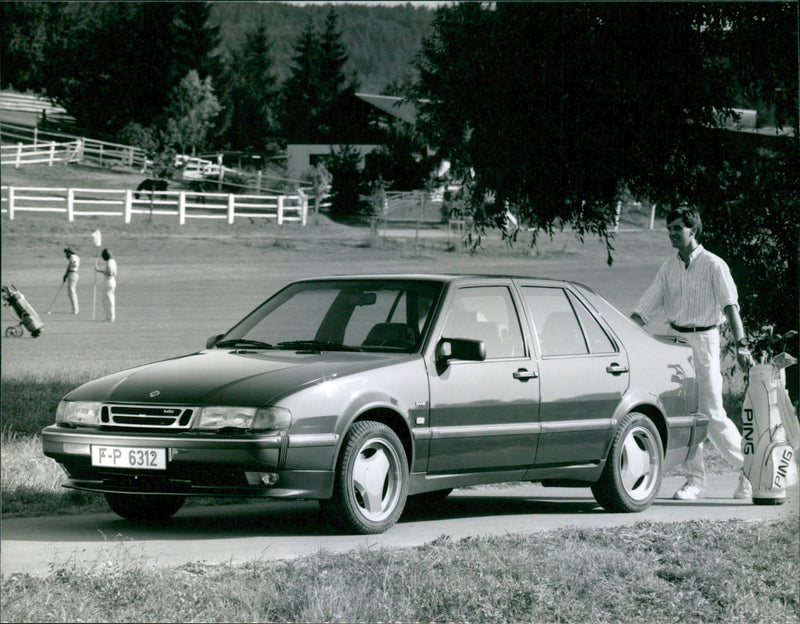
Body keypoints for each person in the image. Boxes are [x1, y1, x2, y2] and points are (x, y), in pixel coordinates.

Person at [631, 206, 755, 501]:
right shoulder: (668, 268)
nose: (672, 234)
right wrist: (622, 335)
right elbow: (644, 310)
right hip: (675, 344)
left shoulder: (714, 265)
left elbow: (730, 307)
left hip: (706, 342)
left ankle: (749, 471)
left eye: (677, 229)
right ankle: (695, 481)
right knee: (685, 416)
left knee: (712, 414)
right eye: (669, 229)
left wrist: (741, 344)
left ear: (693, 230)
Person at [95, 248, 117, 322]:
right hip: (112, 281)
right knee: (107, 300)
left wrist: (107, 273)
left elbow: (109, 271)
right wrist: (99, 270)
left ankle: (110, 317)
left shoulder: (109, 262)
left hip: (109, 281)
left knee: (108, 300)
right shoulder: (113, 261)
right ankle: (109, 316)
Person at [62, 247, 80, 314]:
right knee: (72, 292)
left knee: (71, 292)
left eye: (66, 253)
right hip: (73, 274)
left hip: (72, 274)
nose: (66, 255)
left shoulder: (73, 257)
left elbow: (70, 265)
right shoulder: (76, 257)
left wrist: (65, 274)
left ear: (69, 252)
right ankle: (75, 309)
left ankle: (75, 310)